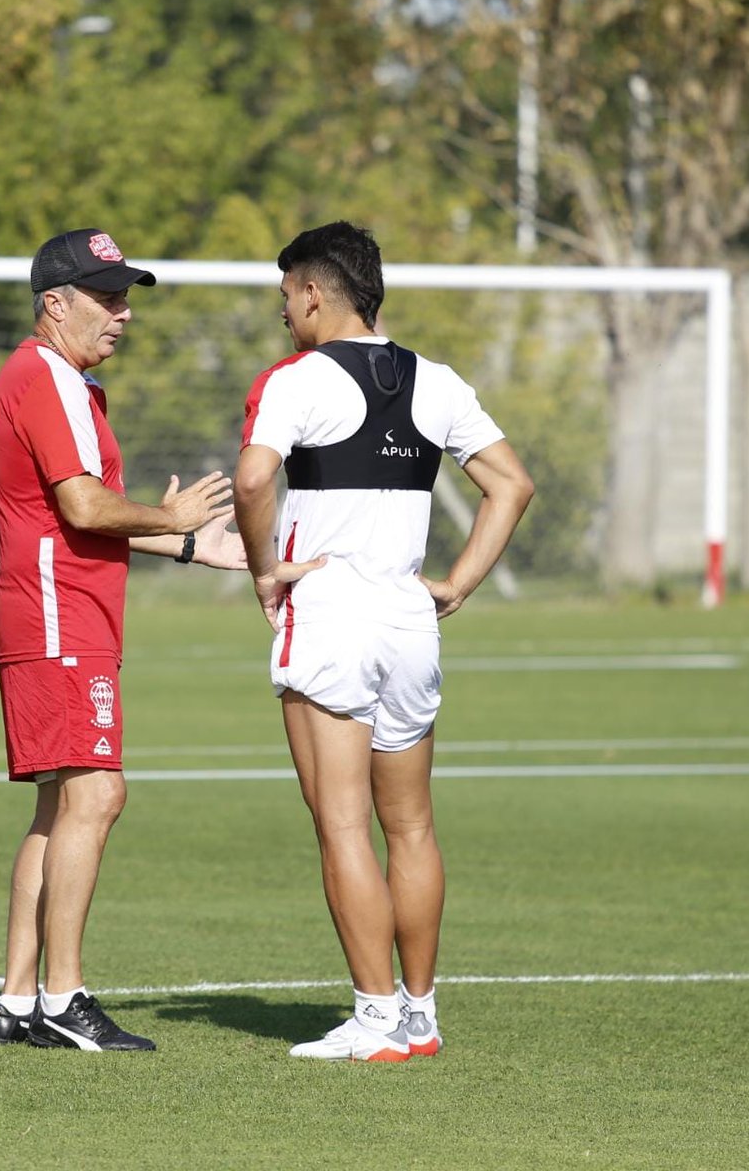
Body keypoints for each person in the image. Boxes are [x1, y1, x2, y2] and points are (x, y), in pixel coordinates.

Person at [233, 221, 533, 1062]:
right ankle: (418, 1014)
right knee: (410, 827)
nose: (284, 312)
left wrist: (266, 569)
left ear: (314, 293)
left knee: (340, 825)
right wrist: (459, 583)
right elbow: (512, 483)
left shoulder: (295, 380)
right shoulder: (435, 380)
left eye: (285, 295)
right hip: (409, 617)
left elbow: (254, 478)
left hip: (329, 612)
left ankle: (371, 1020)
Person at [0, 227, 245, 1052]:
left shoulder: (70, 385)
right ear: (53, 304)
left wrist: (194, 545)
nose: (123, 314)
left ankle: (19, 1002)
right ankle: (65, 1001)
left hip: (63, 611)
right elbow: (84, 510)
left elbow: (94, 520)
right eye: (106, 296)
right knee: (96, 794)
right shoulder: (47, 378)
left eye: (126, 296)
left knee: (59, 803)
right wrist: (173, 517)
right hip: (59, 615)